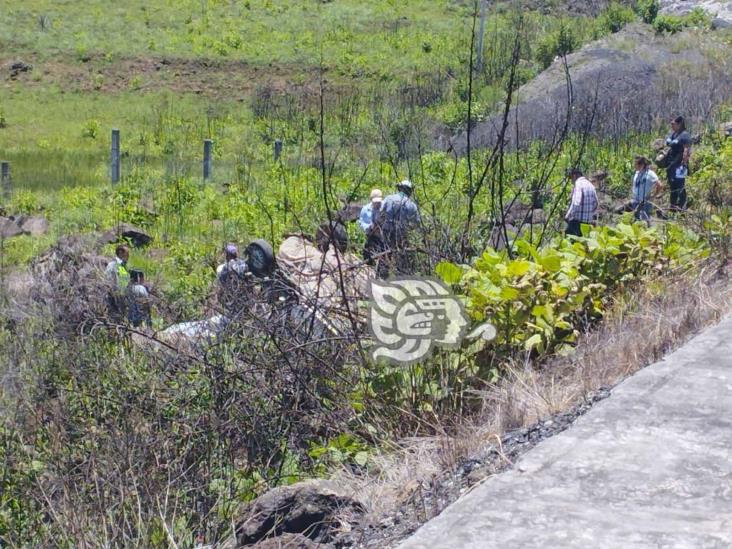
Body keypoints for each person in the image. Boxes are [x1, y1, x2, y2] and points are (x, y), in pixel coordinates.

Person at [379, 180, 421, 276]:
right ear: (410, 191)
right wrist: (409, 228)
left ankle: (382, 275)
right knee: (401, 254)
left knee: (385, 252)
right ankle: (400, 276)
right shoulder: (412, 205)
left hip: (387, 229)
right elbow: (417, 223)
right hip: (402, 232)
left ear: (399, 188)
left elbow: (380, 212)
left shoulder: (389, 198)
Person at [665, 116, 692, 211]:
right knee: (673, 186)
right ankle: (672, 207)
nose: (672, 126)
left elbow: (687, 150)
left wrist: (683, 164)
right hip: (671, 165)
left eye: (673, 124)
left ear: (679, 124)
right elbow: (667, 143)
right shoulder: (674, 134)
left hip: (680, 166)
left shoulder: (685, 135)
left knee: (680, 186)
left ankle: (682, 207)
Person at [564, 168, 598, 237]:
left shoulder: (578, 184)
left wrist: (568, 216)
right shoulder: (590, 185)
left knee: (569, 244)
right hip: (587, 223)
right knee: (582, 246)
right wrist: (588, 213)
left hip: (576, 223)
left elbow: (576, 202)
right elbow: (595, 203)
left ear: (574, 176)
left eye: (571, 178)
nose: (571, 181)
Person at [630, 155, 662, 223]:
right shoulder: (637, 172)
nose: (634, 166)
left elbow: (660, 185)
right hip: (635, 201)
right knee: (636, 220)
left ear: (641, 165)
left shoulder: (650, 173)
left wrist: (654, 196)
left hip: (645, 202)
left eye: (635, 164)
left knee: (645, 221)